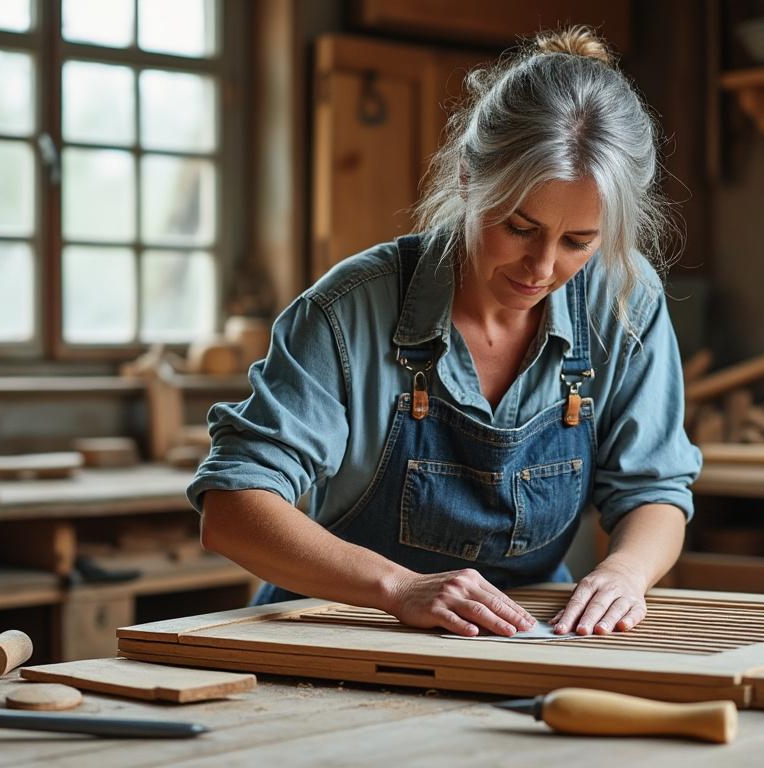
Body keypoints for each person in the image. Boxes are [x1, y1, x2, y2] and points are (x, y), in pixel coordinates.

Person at [189, 26, 700, 638]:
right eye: (518, 227)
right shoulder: (348, 309)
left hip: (525, 635)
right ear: (467, 178)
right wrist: (400, 588)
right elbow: (232, 508)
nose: (541, 269)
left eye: (577, 242)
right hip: (342, 630)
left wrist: (624, 573)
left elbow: (655, 488)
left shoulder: (625, 298)